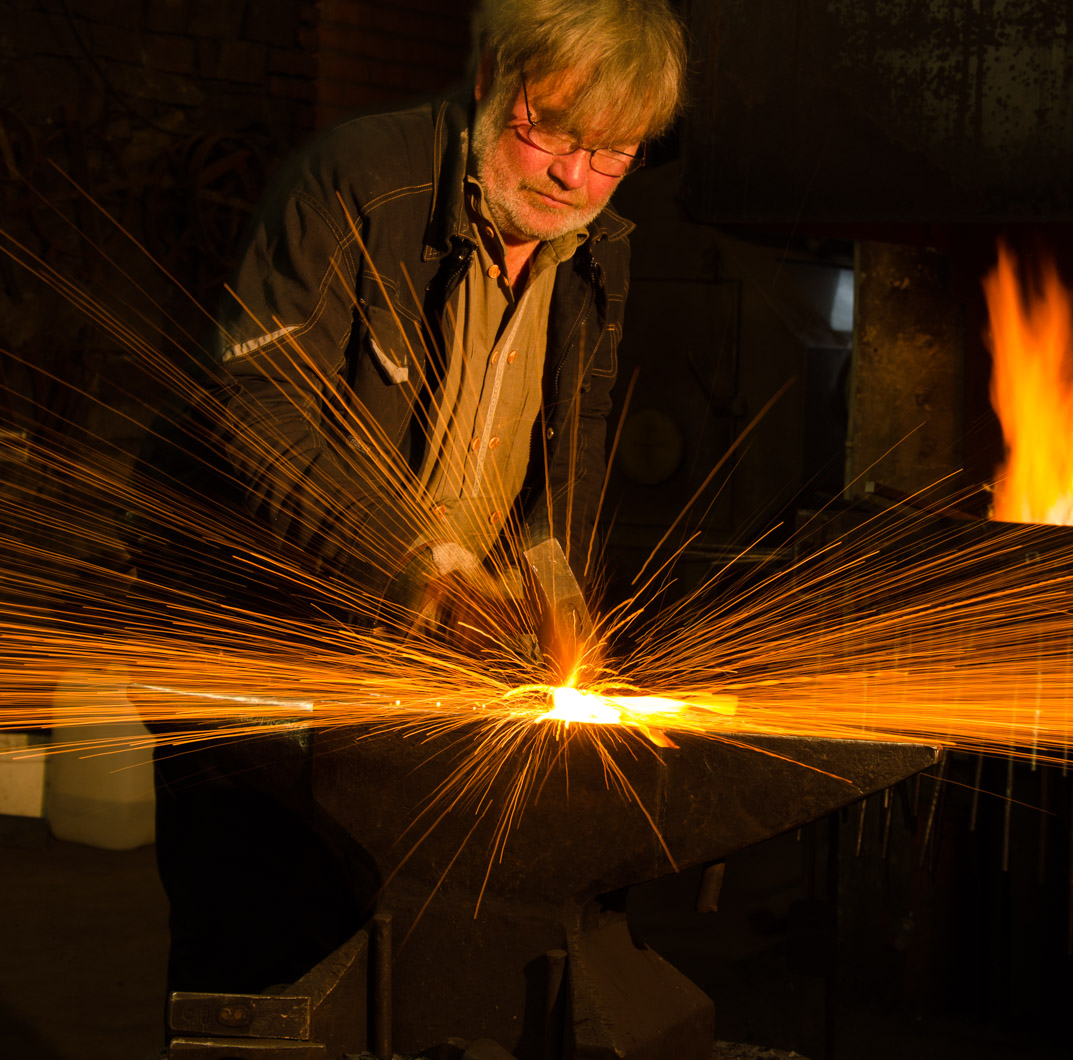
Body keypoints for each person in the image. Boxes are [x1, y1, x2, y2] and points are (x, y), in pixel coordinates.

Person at [147, 0, 688, 999]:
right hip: (253, 646)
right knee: (263, 962)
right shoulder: (353, 180)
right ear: (491, 79)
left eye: (611, 152)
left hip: (407, 668)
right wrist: (416, 561)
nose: (574, 176)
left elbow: (573, 436)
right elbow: (253, 400)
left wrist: (554, 581)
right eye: (553, 134)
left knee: (399, 958)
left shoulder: (599, 245)